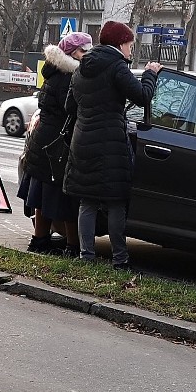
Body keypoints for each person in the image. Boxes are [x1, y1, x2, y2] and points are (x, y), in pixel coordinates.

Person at [63, 21, 161, 270]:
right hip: (110, 144)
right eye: (129, 45)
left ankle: (86, 257)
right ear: (120, 44)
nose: (130, 50)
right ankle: (120, 259)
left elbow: (69, 107)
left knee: (87, 201)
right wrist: (150, 74)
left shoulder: (80, 69)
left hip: (82, 141)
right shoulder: (117, 66)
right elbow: (142, 96)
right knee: (116, 201)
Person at [18, 32, 92, 257]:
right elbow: (73, 109)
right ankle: (72, 246)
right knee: (66, 198)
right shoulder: (70, 77)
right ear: (71, 53)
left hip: (44, 142)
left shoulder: (54, 72)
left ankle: (40, 240)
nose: (86, 55)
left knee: (42, 195)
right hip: (58, 146)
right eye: (83, 51)